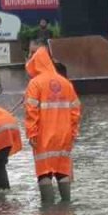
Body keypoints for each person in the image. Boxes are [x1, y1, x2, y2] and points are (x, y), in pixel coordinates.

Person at [25, 46, 81, 204]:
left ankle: (47, 212)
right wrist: (73, 131)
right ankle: (66, 207)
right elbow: (76, 109)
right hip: (64, 134)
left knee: (44, 173)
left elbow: (31, 112)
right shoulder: (65, 83)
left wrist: (32, 133)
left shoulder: (35, 84)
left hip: (43, 135)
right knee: (62, 169)